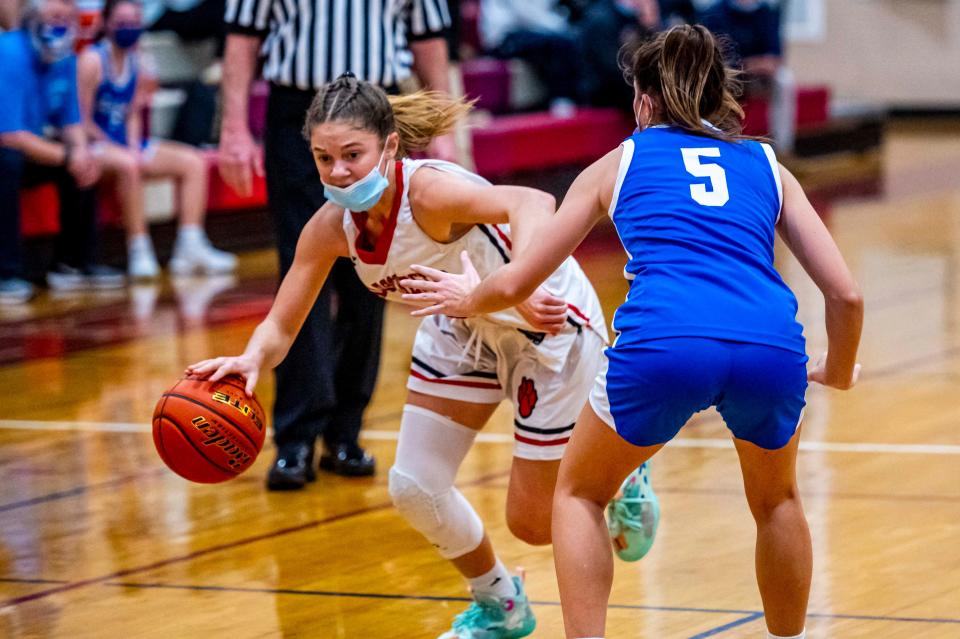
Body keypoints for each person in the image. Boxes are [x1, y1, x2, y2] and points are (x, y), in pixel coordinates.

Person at [401, 24, 864, 639]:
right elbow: (847, 294)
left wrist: (469, 298)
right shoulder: (766, 163)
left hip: (664, 343)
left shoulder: (620, 160)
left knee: (580, 494)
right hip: (769, 344)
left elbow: (517, 281)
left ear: (644, 101)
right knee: (777, 501)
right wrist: (835, 369)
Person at [186, 73, 658, 639]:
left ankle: (623, 474)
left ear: (389, 147)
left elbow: (531, 200)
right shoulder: (330, 229)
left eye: (352, 155)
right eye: (324, 158)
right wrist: (251, 360)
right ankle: (501, 605)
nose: (338, 172)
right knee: (413, 484)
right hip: (460, 326)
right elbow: (282, 324)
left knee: (532, 523)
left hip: (546, 323)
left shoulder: (428, 194)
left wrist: (521, 286)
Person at [219, 0, 458, 489]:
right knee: (302, 270)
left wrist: (446, 131)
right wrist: (232, 127)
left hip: (376, 117)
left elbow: (429, 40)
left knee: (374, 270)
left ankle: (346, 430)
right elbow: (242, 38)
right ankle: (297, 438)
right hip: (301, 123)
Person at [76, 0, 237, 279]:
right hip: (94, 144)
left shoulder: (137, 60)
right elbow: (80, 119)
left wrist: (133, 144)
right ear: (106, 23)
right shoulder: (92, 60)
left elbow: (133, 113)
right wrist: (120, 149)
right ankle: (139, 249)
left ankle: (190, 244)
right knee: (129, 164)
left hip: (124, 144)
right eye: (122, 23)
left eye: (134, 23)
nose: (129, 29)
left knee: (192, 161)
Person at [0, 0, 124, 304]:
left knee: (85, 159)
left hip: (30, 145)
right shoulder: (9, 52)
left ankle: (73, 264)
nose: (61, 25)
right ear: (32, 17)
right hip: (9, 147)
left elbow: (71, 121)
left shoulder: (65, 56)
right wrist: (69, 156)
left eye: (68, 19)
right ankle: (6, 274)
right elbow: (10, 135)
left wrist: (80, 152)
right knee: (8, 163)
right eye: (54, 17)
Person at [699, 0, 795, 152]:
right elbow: (718, 56)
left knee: (785, 80)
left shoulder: (766, 13)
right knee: (715, 79)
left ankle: (783, 148)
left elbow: (775, 57)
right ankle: (720, 143)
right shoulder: (716, 13)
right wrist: (750, 64)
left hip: (760, 76)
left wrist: (753, 64)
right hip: (729, 75)